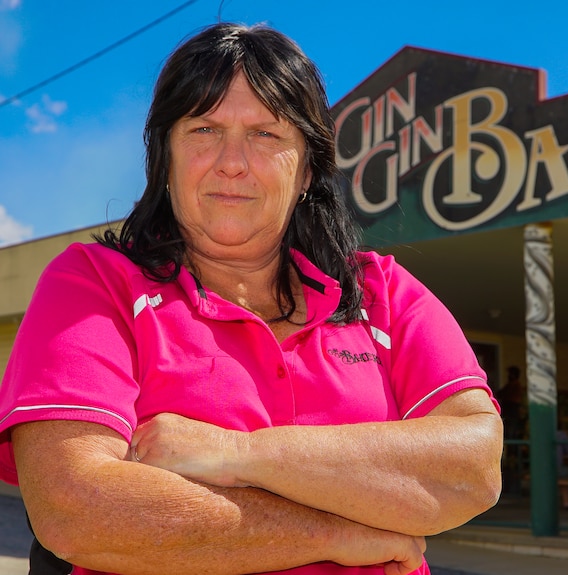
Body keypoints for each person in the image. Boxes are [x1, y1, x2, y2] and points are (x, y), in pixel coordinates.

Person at [0, 23, 503, 575]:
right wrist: (335, 533)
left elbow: (472, 467)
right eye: (204, 128)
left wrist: (232, 455)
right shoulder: (95, 285)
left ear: (308, 166)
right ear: (164, 156)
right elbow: (76, 507)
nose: (232, 162)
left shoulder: (382, 293)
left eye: (265, 134)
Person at [498, 365, 525, 439]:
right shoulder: (510, 385)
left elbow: (503, 394)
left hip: (512, 410)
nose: (509, 376)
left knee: (511, 433)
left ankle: (513, 450)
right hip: (509, 410)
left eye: (510, 374)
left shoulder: (515, 385)